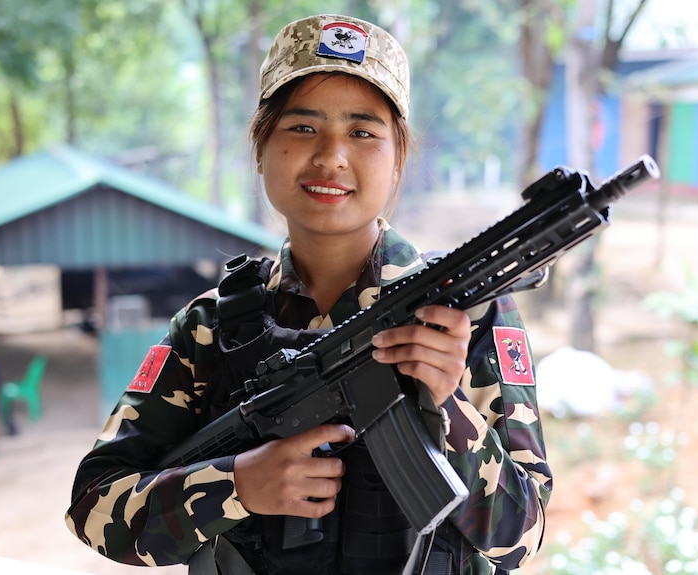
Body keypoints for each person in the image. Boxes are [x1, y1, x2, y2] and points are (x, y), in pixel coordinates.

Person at [65, 14, 552, 575]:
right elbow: (93, 506)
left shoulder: (466, 316)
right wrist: (237, 484)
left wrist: (448, 405)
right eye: (302, 128)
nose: (331, 157)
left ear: (397, 162)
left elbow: (522, 537)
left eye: (363, 132)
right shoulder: (208, 328)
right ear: (260, 149)